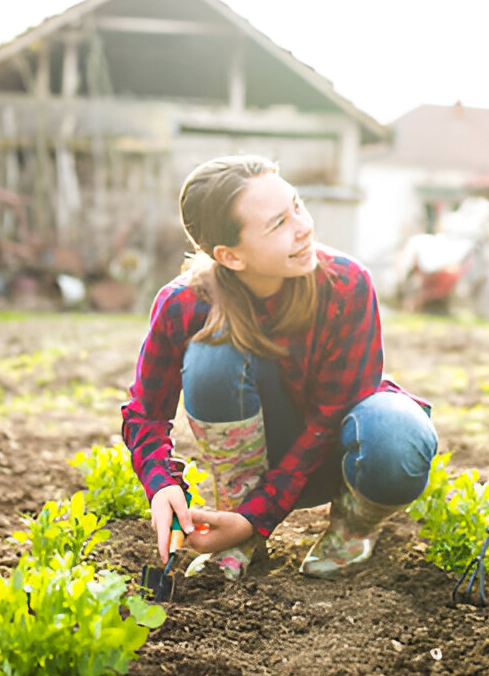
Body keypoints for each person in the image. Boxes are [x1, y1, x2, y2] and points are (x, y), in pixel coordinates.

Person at [122, 154, 437, 581]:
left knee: (398, 434)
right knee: (213, 352)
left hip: (336, 457)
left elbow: (328, 420)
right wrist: (161, 485)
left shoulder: (345, 285)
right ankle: (238, 525)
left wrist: (258, 516)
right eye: (278, 224)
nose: (303, 226)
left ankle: (352, 525)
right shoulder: (184, 305)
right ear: (230, 256)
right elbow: (145, 414)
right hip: (254, 463)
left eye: (297, 206)